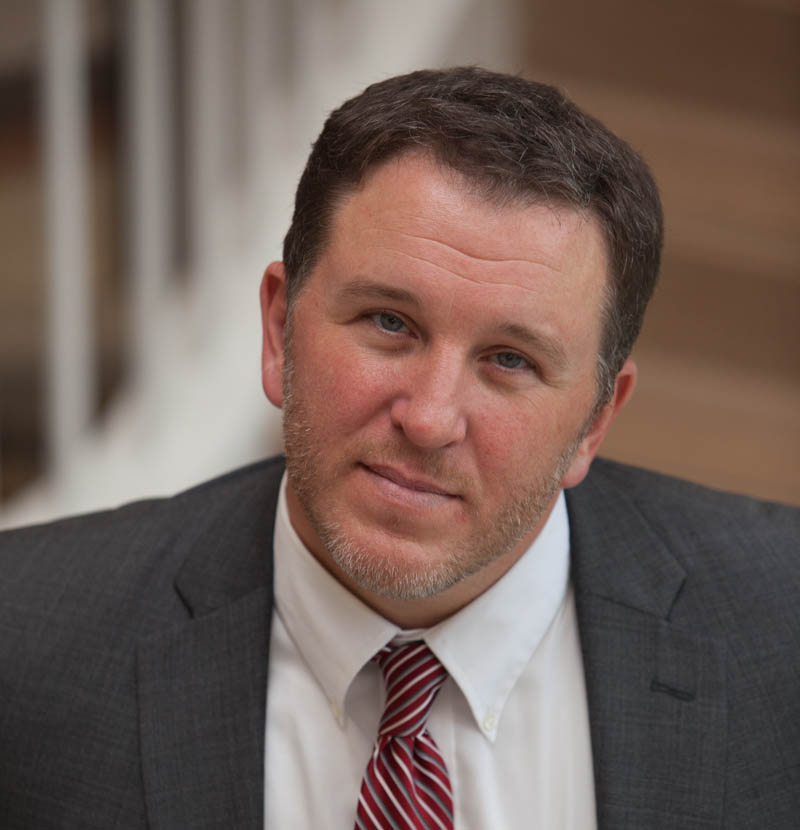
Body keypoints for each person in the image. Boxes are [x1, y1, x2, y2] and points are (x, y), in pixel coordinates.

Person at [1, 67, 798, 830]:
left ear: (595, 420)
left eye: (510, 360)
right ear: (279, 330)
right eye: (389, 323)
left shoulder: (781, 634)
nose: (429, 419)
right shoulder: (25, 642)